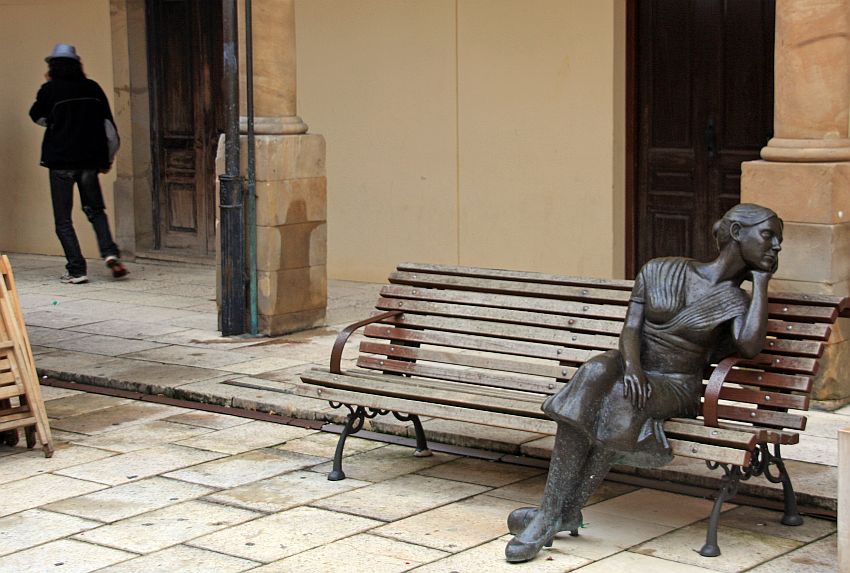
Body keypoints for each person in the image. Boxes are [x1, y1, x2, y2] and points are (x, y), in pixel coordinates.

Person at [504, 203, 783, 563]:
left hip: (676, 386)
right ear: (736, 233)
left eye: (778, 240)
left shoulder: (736, 300)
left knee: (622, 398)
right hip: (634, 368)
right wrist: (633, 367)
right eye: (768, 235)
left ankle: (549, 515)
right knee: (594, 371)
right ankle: (560, 511)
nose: (776, 246)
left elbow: (748, 346)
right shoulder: (660, 268)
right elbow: (631, 328)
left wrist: (760, 282)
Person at [29, 43, 127, 284]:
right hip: (89, 163)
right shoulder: (92, 88)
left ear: (53, 67)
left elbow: (36, 116)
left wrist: (56, 121)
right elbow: (110, 131)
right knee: (95, 211)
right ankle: (110, 253)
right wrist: (107, 160)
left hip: (60, 162)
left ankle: (76, 269)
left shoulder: (49, 90)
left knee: (63, 220)